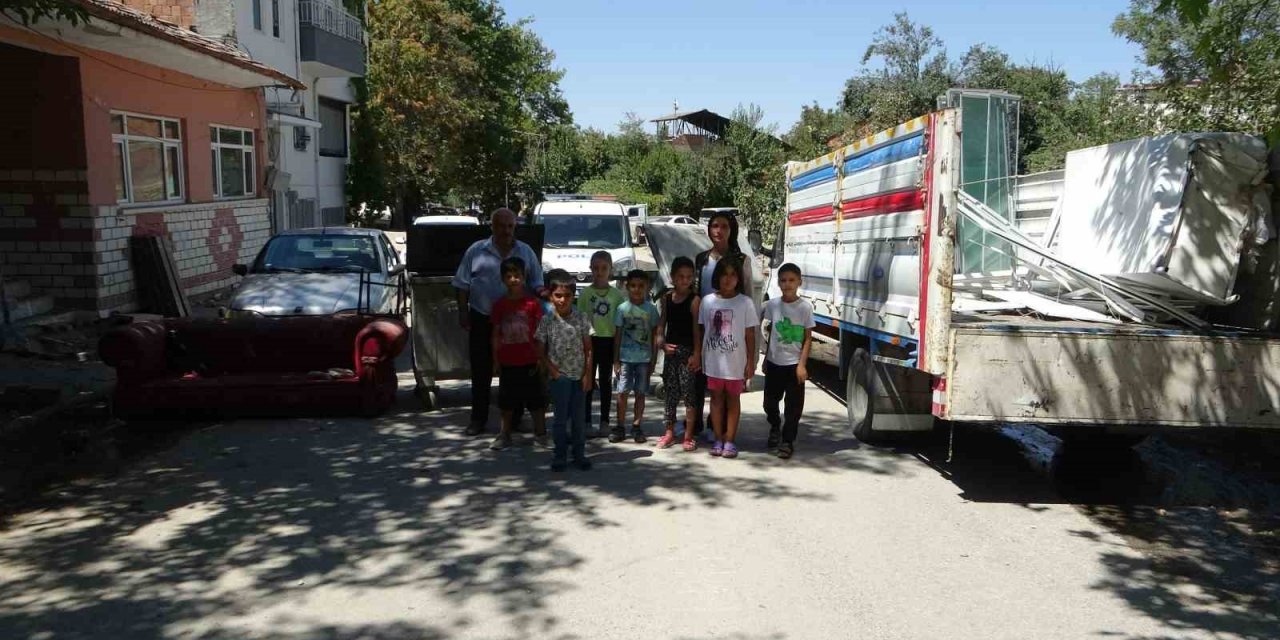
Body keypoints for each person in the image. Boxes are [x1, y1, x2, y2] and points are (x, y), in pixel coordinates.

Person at [452, 208, 544, 436]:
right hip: (483, 318)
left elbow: (536, 282)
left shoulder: (526, 252)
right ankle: (478, 419)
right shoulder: (476, 250)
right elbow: (462, 284)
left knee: (518, 371)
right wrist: (463, 311)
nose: (506, 231)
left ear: (515, 227)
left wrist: (546, 297)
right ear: (492, 226)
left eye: (510, 226)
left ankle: (516, 419)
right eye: (501, 226)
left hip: (517, 322)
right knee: (481, 370)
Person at [691, 211, 753, 442]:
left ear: (731, 230)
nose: (719, 230)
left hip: (731, 328)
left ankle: (723, 432)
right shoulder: (702, 259)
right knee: (701, 379)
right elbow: (696, 293)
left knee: (726, 387)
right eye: (714, 225)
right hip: (705, 321)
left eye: (724, 226)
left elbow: (746, 295)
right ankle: (696, 424)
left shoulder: (742, 260)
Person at [536, 270, 594, 471]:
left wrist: (588, 375)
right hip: (559, 377)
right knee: (560, 419)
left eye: (567, 296)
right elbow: (540, 349)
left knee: (578, 419)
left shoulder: (581, 318)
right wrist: (552, 370)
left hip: (579, 376)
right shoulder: (547, 320)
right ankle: (559, 454)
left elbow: (588, 349)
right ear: (551, 296)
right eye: (558, 295)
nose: (562, 300)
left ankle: (579, 454)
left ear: (573, 295)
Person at [488, 257, 547, 450]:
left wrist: (542, 358)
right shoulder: (499, 305)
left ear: (524, 276)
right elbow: (496, 334)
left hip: (530, 360)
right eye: (509, 276)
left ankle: (540, 434)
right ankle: (504, 435)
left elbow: (540, 333)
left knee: (536, 400)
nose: (514, 279)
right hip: (508, 361)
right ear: (503, 279)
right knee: (506, 402)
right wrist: (495, 360)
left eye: (517, 275)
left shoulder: (533, 304)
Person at [760, 263, 815, 459]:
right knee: (769, 403)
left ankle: (787, 441)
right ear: (778, 282)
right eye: (783, 280)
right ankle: (775, 426)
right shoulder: (773, 305)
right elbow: (772, 332)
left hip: (794, 365)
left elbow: (808, 338)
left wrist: (802, 365)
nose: (787, 284)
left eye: (792, 280)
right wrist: (766, 358)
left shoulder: (805, 308)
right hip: (775, 363)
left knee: (793, 407)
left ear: (799, 282)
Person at [577, 250, 625, 438]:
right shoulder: (585, 294)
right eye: (596, 268)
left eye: (604, 268)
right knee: (588, 382)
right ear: (591, 269)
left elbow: (620, 323)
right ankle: (586, 420)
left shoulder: (617, 295)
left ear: (610, 270)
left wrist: (618, 351)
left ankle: (604, 421)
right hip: (590, 341)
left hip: (609, 341)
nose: (599, 272)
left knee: (605, 382)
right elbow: (581, 320)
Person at [654, 257, 701, 451]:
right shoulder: (667, 298)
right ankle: (669, 433)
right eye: (681, 276)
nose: (684, 280)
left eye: (689, 277)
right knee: (670, 394)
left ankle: (689, 435)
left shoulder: (695, 300)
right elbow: (662, 323)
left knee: (689, 396)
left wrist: (697, 354)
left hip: (687, 353)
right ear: (673, 277)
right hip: (670, 353)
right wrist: (661, 342)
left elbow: (697, 330)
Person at [612, 269, 659, 444]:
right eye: (633, 286)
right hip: (625, 359)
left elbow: (655, 335)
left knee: (640, 392)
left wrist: (653, 360)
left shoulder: (651, 310)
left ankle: (637, 425)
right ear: (627, 287)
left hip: (644, 359)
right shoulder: (622, 309)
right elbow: (617, 335)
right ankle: (620, 425)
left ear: (647, 287)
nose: (637, 289)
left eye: (641, 286)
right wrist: (616, 360)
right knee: (622, 392)